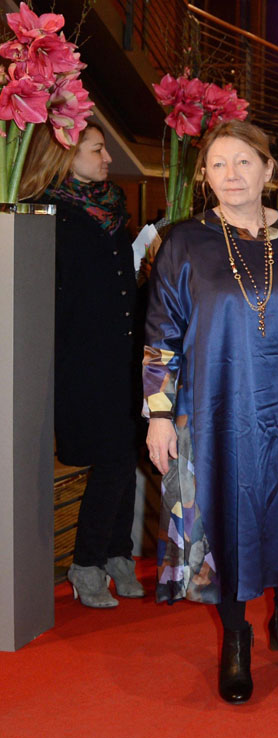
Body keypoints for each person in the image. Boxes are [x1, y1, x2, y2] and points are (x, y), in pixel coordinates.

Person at [144, 120, 278, 703]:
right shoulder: (184, 242)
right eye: (218, 164)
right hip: (216, 410)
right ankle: (237, 638)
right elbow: (159, 338)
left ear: (270, 172)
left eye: (244, 162)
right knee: (227, 515)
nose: (231, 174)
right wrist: (157, 414)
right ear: (205, 176)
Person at [25, 123, 144, 608]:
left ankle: (118, 553)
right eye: (97, 149)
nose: (107, 158)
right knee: (114, 457)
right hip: (81, 356)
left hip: (125, 353)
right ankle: (88, 562)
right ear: (66, 153)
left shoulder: (112, 206)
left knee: (127, 452)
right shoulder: (43, 211)